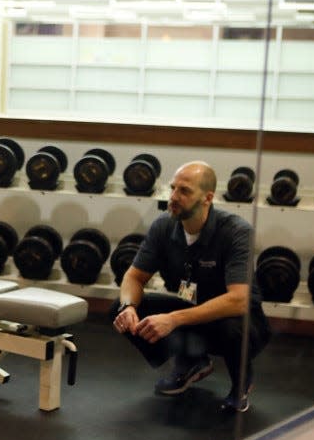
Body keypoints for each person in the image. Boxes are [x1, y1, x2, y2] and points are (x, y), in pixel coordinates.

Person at [111, 160, 271, 413]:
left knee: (232, 327)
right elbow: (133, 277)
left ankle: (242, 381)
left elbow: (238, 300)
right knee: (120, 309)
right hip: (191, 308)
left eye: (184, 191)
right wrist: (128, 306)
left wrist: (173, 319)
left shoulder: (237, 232)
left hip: (236, 319)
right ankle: (192, 361)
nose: (174, 197)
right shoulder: (163, 226)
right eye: (173, 188)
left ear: (207, 198)